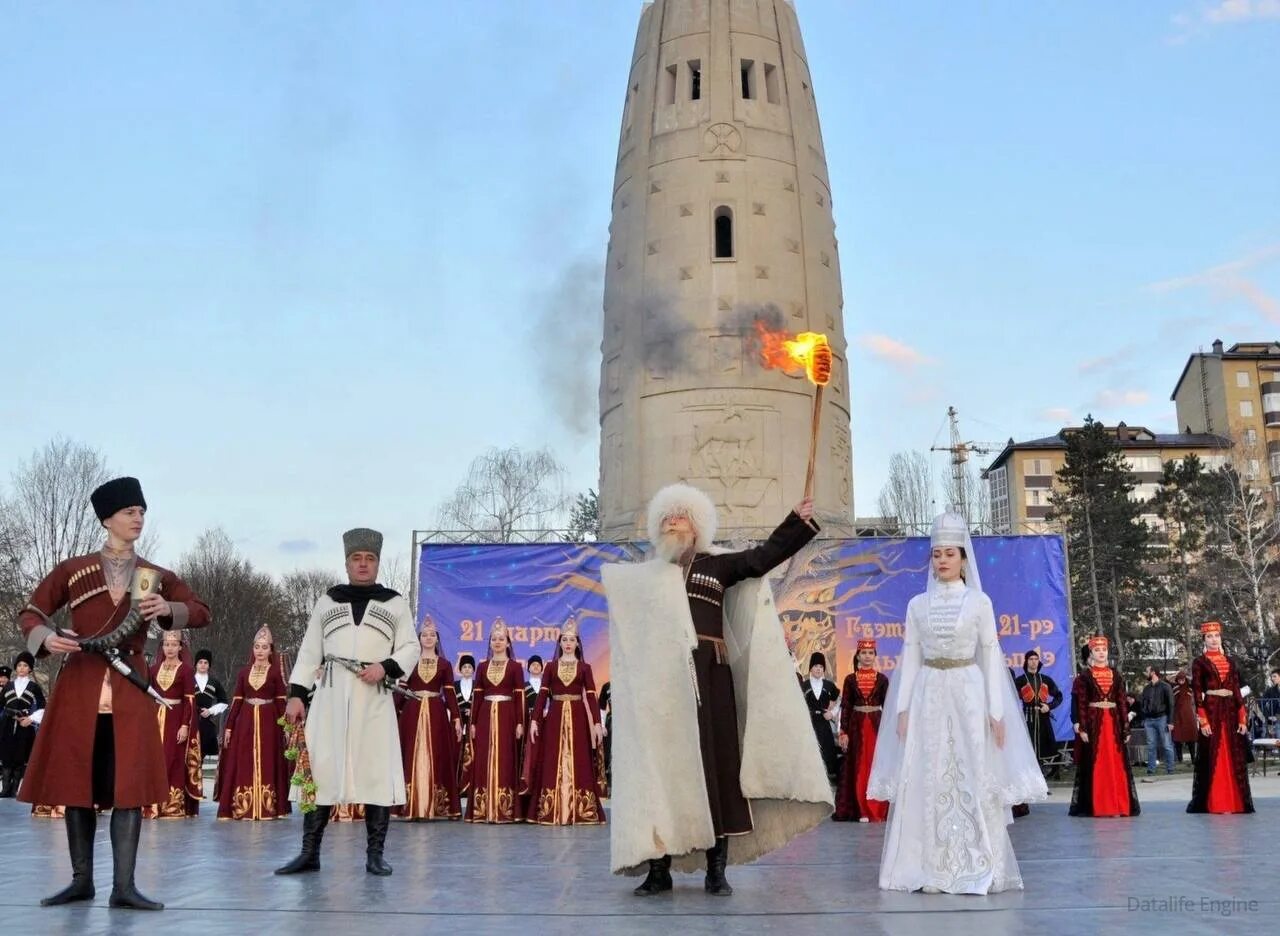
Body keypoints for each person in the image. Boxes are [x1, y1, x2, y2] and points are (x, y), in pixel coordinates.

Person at [601, 485, 832, 898]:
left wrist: (795, 522)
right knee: (662, 774)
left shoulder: (718, 566)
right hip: (662, 693)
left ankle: (716, 869)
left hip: (711, 682)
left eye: (681, 516)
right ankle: (659, 869)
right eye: (667, 518)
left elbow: (762, 559)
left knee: (717, 767)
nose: (673, 523)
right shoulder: (648, 579)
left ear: (698, 525)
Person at [17, 476, 211, 910]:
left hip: (130, 687)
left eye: (141, 512)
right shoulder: (73, 569)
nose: (138, 518)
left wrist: (168, 610)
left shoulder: (156, 576)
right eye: (129, 512)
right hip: (80, 686)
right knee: (76, 783)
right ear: (107, 519)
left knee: (129, 787)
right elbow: (30, 612)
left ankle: (124, 886)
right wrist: (47, 638)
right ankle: (81, 880)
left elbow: (201, 611)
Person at [867, 511, 1047, 894]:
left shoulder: (980, 602)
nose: (943, 560)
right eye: (937, 554)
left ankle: (981, 864)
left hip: (968, 689)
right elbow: (911, 655)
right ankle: (927, 865)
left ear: (964, 557)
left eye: (950, 553)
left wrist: (996, 713)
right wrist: (901, 709)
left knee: (972, 768)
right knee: (928, 769)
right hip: (929, 691)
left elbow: (990, 654)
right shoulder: (917, 605)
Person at [276, 528, 418, 877]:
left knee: (376, 773)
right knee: (320, 770)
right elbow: (310, 651)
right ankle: (310, 853)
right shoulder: (328, 601)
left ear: (377, 563)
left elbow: (411, 647)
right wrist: (296, 696)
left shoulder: (395, 603)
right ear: (347, 563)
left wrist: (385, 667)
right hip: (330, 699)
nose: (363, 564)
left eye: (370, 559)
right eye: (357, 558)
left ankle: (375, 855)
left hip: (374, 699)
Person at [521, 617, 606, 825]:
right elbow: (542, 696)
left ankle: (580, 810)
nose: (568, 643)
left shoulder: (585, 668)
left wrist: (596, 723)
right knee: (551, 758)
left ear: (577, 643)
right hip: (555, 716)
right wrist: (534, 721)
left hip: (577, 716)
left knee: (579, 758)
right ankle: (551, 808)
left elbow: (591, 696)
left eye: (572, 640)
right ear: (559, 643)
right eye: (565, 639)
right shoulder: (550, 667)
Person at [215, 627, 291, 820]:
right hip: (246, 723)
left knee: (268, 761)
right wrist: (229, 727)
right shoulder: (243, 672)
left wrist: (287, 728)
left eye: (264, 647)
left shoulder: (275, 673)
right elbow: (237, 702)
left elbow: (282, 702)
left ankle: (268, 807)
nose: (260, 651)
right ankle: (244, 806)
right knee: (244, 762)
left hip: (269, 723)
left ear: (270, 650)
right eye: (257, 647)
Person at [395, 617, 463, 820]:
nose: (428, 638)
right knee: (410, 754)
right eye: (425, 635)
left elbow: (450, 693)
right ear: (419, 638)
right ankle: (410, 803)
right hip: (412, 711)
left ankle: (435, 804)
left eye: (432, 635)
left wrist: (457, 719)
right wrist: (391, 712)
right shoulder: (410, 662)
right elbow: (402, 690)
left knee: (437, 754)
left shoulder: (444, 664)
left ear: (437, 639)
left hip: (436, 712)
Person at [462, 621, 527, 823]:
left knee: (506, 758)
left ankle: (504, 809)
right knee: (483, 759)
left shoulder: (516, 667)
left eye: (501, 639)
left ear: (508, 643)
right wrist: (472, 723)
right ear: (490, 643)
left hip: (507, 716)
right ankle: (482, 809)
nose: (497, 642)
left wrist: (519, 722)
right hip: (485, 716)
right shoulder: (481, 667)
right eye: (494, 639)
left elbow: (520, 697)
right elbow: (477, 698)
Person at [1186, 621, 1254, 814]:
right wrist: (1203, 720)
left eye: (1216, 636)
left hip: (1231, 711)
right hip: (1212, 711)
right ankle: (1216, 801)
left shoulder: (1231, 662)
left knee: (1233, 755)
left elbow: (1237, 693)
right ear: (1204, 640)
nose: (1214, 639)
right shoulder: (1199, 662)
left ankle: (1236, 801)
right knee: (1214, 755)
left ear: (1220, 638)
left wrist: (1242, 718)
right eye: (1209, 636)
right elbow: (1198, 693)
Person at [1068, 636, 1139, 818]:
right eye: (1097, 650)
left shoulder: (1116, 675)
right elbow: (1079, 703)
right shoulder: (1084, 677)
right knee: (1098, 763)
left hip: (1113, 724)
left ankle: (1119, 804)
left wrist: (1126, 727)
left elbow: (1122, 702)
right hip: (1094, 724)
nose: (1101, 653)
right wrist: (1081, 727)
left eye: (1104, 649)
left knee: (1116, 764)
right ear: (1091, 652)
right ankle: (1101, 805)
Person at [144, 631, 202, 818]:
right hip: (154, 718)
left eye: (173, 644)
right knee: (153, 759)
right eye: (166, 644)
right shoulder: (153, 670)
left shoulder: (186, 670)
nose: (169, 648)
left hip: (175, 718)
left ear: (180, 647)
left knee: (172, 759)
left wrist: (185, 725)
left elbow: (189, 701)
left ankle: (170, 805)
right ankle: (150, 804)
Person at [833, 639, 888, 822]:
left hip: (876, 726)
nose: (867, 656)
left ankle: (878, 808)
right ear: (857, 655)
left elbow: (887, 708)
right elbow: (846, 707)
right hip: (856, 727)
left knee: (876, 765)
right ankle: (861, 809)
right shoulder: (850, 680)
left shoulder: (882, 679)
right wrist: (843, 732)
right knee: (858, 767)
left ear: (875, 656)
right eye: (864, 653)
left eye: (871, 653)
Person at [0, 652, 45, 798]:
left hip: (24, 725)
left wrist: (31, 719)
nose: (21, 668)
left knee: (20, 757)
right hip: (7, 725)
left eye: (25, 665)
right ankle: (5, 788)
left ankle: (14, 790)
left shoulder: (34, 687)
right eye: (19, 665)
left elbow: (43, 707)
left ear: (30, 669)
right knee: (6, 756)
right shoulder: (8, 686)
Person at [1013, 650, 1064, 779]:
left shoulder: (1046, 680)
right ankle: (1030, 781)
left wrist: (1049, 706)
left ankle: (1041, 782)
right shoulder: (1020, 681)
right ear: (1026, 661)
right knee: (1029, 749)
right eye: (1031, 659)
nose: (1034, 661)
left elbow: (1059, 696)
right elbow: (1010, 697)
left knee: (1042, 749)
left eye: (1036, 659)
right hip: (1027, 718)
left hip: (1043, 719)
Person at [801, 652, 841, 783]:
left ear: (824, 669)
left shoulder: (829, 685)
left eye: (821, 666)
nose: (818, 669)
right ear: (810, 668)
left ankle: (830, 783)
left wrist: (832, 713)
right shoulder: (803, 685)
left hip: (825, 724)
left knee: (828, 751)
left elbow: (840, 701)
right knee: (809, 753)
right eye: (816, 666)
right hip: (808, 725)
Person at [1138, 667, 1176, 776]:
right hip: (1149, 720)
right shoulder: (1146, 688)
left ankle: (1170, 768)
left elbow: (1171, 705)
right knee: (1151, 746)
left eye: (1147, 671)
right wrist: (1144, 718)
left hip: (1162, 718)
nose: (1146, 673)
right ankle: (1151, 769)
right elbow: (1143, 703)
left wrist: (1170, 721)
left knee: (1167, 744)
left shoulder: (1165, 686)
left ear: (1153, 672)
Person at [193, 650, 229, 760]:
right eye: (200, 662)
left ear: (209, 665)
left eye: (206, 662)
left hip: (207, 724)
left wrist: (210, 711)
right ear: (195, 664)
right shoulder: (188, 679)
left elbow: (224, 702)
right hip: (191, 722)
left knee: (208, 756)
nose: (203, 665)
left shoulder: (214, 682)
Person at [1171, 671, 1199, 764]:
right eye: (1179, 679)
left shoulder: (1190, 687)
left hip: (1189, 716)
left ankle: (1193, 758)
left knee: (1191, 738)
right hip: (1177, 715)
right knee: (1177, 738)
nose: (1181, 681)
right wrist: (1175, 675)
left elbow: (1197, 682)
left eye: (1183, 679)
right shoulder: (1174, 688)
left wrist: (1187, 676)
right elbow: (1165, 679)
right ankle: (1180, 759)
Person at [1261, 670, 1280, 739]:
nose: (1272, 679)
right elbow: (1261, 702)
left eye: (1275, 676)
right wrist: (1268, 715)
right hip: (1272, 719)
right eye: (1271, 677)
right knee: (1264, 730)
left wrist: (1277, 716)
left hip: (1278, 719)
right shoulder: (1271, 690)